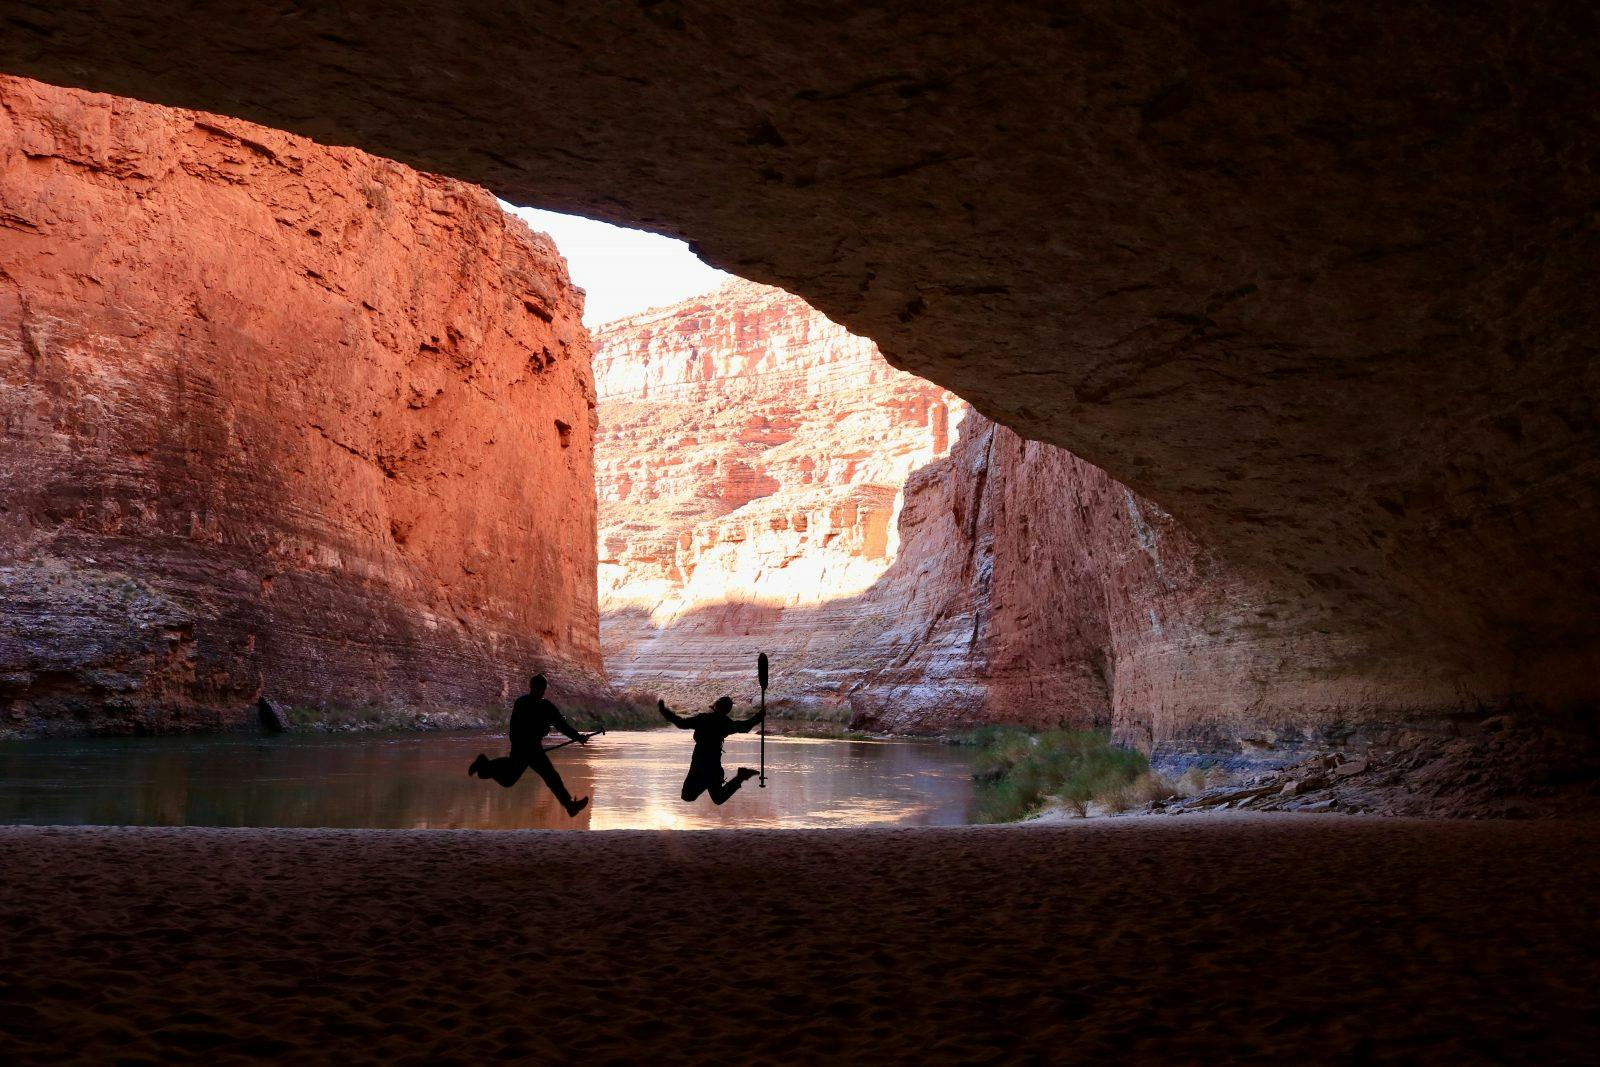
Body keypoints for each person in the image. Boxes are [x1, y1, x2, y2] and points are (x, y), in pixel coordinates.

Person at [469, 674, 591, 817]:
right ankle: (570, 806)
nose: (540, 691)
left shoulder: (526, 703)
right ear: (537, 688)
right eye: (539, 688)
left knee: (513, 779)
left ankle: (483, 766)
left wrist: (577, 737)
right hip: (527, 748)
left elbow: (560, 725)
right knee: (549, 777)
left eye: (541, 688)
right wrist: (577, 737)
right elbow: (561, 725)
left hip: (527, 748)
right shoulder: (540, 706)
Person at [659, 695, 763, 805]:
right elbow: (745, 726)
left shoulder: (703, 718)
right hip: (711, 765)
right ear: (728, 710)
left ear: (716, 706)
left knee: (688, 795)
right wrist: (759, 717)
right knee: (715, 798)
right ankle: (740, 776)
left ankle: (739, 776)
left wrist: (664, 711)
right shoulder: (725, 723)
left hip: (700, 763)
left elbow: (681, 723)